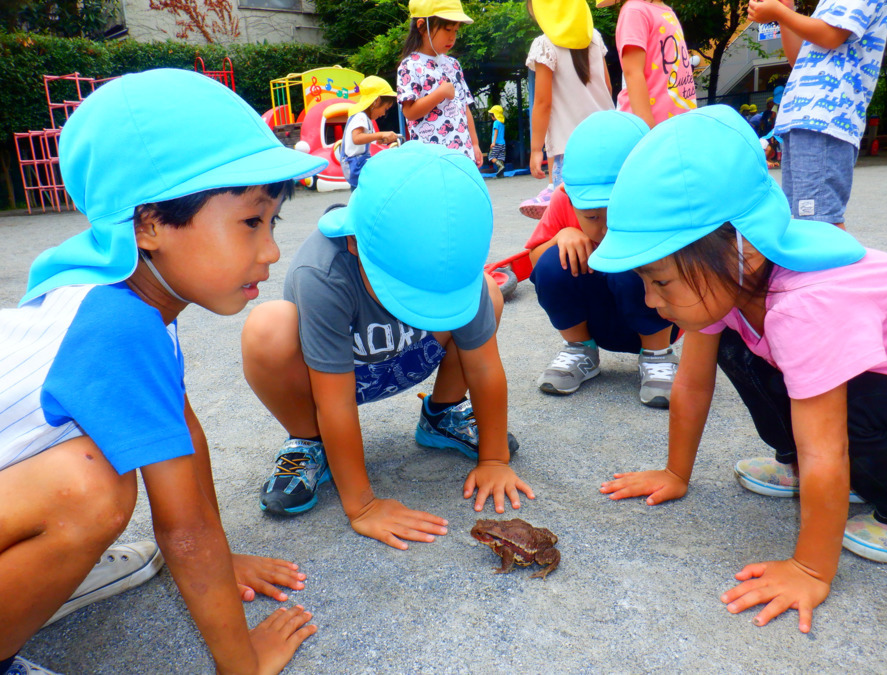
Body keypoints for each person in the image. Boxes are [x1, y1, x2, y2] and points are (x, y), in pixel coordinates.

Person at [0, 69, 327, 675]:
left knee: (90, 477)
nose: (272, 250)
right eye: (251, 221)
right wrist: (241, 661)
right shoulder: (117, 325)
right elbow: (183, 530)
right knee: (89, 490)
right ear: (149, 224)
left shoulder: (131, 293)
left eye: (273, 222)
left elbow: (184, 433)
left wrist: (222, 559)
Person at [593, 104, 887, 634]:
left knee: (833, 410)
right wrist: (676, 473)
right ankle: (800, 469)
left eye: (661, 281)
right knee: (737, 348)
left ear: (744, 248)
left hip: (886, 388)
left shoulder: (806, 305)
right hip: (864, 383)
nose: (650, 299)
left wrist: (808, 568)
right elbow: (691, 383)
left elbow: (827, 446)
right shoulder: (731, 282)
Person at [243, 142, 532, 550]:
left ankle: (443, 413)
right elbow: (335, 402)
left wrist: (494, 459)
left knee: (489, 292)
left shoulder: (455, 259)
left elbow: (484, 367)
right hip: (335, 380)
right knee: (267, 328)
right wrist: (362, 506)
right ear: (357, 244)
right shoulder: (322, 272)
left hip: (412, 357)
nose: (422, 308)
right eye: (410, 293)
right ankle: (310, 441)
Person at [526, 111, 679, 407]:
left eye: (616, 210)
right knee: (551, 262)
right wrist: (562, 236)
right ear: (570, 197)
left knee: (632, 263)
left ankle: (658, 357)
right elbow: (534, 263)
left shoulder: (659, 200)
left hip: (657, 317)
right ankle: (580, 350)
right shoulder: (563, 199)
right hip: (595, 318)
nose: (604, 226)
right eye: (592, 216)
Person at [749, 0, 887, 230]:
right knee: (807, 220)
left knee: (821, 223)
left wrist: (778, 12)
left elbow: (830, 36)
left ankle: (841, 267)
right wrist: (785, 11)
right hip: (805, 119)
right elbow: (799, 59)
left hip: (825, 119)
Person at [519, 0, 615, 220]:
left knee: (576, 215)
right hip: (608, 138)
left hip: (572, 149)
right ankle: (553, 190)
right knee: (606, 208)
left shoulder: (544, 45)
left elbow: (543, 103)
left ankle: (554, 191)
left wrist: (536, 150)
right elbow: (607, 87)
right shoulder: (594, 37)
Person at [396, 0, 482, 166]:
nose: (452, 37)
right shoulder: (410, 65)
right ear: (422, 27)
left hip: (462, 154)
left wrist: (475, 144)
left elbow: (465, 107)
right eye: (447, 29)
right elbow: (409, 112)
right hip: (431, 161)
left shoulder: (454, 64)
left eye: (455, 30)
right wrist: (440, 93)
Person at [607, 0, 697, 128]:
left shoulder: (664, 10)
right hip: (652, 129)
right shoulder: (635, 11)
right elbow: (633, 72)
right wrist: (647, 129)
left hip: (674, 126)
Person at [339, 75, 399, 191]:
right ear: (376, 101)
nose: (383, 114)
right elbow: (356, 138)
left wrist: (380, 139)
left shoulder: (364, 118)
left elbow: (364, 138)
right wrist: (380, 134)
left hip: (356, 162)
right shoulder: (361, 116)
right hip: (356, 163)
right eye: (385, 109)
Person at [486, 104, 506, 176]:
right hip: (503, 143)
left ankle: (500, 166)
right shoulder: (502, 123)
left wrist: (493, 142)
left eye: (492, 115)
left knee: (491, 157)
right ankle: (501, 174)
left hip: (496, 143)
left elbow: (496, 132)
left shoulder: (496, 123)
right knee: (500, 157)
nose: (491, 117)